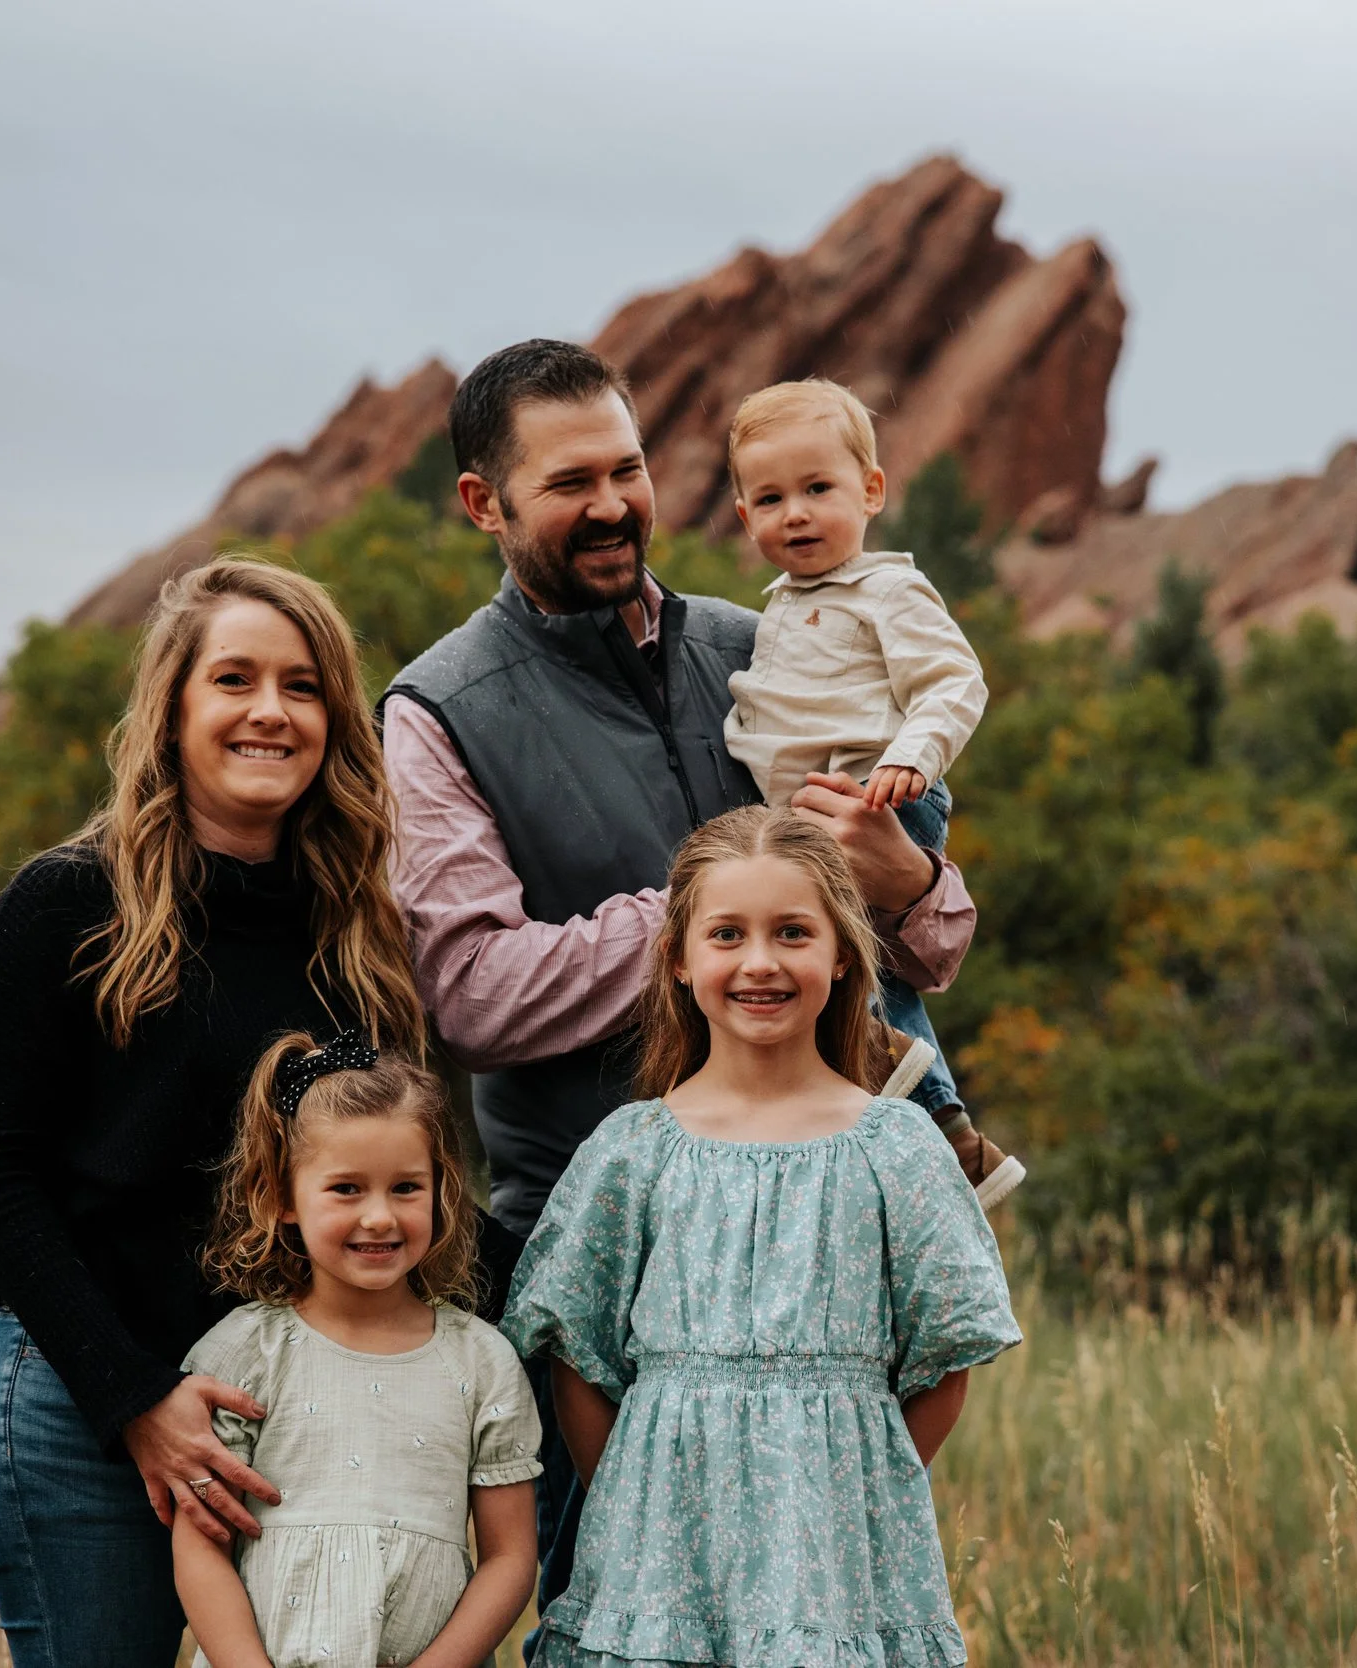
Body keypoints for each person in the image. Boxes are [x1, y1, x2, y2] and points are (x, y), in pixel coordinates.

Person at [378, 338, 987, 1622]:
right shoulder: (438, 711)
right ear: (483, 503)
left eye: (629, 467)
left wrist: (897, 880)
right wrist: (713, 919)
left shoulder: (764, 641)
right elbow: (474, 996)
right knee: (616, 1620)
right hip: (593, 1269)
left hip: (819, 1256)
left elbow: (927, 946)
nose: (611, 505)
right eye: (567, 483)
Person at [0, 557, 429, 1668]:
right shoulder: (68, 903)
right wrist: (136, 1399)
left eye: (303, 687)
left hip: (287, 1415)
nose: (270, 711)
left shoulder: (353, 933)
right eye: (235, 680)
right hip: (83, 1409)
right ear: (173, 711)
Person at [500, 805, 1022, 1667]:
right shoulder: (633, 1152)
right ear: (678, 958)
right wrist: (639, 1491)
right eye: (728, 934)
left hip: (842, 1568)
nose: (760, 962)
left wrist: (857, 1487)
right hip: (655, 1566)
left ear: (843, 953)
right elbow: (577, 1360)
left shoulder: (895, 1147)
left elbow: (944, 1360)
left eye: (792, 933)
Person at [724, 376, 1025, 1205]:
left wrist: (911, 761)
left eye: (819, 489)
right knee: (852, 975)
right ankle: (947, 1141)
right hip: (815, 811)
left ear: (871, 489)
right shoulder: (780, 607)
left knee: (857, 976)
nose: (796, 513)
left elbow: (955, 681)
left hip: (877, 798)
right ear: (744, 518)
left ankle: (941, 1129)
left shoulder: (885, 588)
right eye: (771, 498)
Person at [173, 1030, 540, 1668]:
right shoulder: (243, 1353)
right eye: (346, 1189)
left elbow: (509, 1557)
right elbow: (201, 1545)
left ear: (441, 1193)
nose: (380, 1217)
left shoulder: (482, 1362)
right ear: (282, 1198)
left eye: (405, 1188)